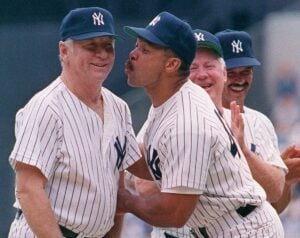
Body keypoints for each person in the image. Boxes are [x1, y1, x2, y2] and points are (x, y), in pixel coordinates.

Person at [117, 12, 284, 237]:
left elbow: (174, 214)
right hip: (222, 226)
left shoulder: (188, 120)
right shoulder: (170, 99)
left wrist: (126, 201)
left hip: (243, 229)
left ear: (172, 64)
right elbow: (156, 164)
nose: (133, 54)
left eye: (145, 50)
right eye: (137, 46)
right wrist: (114, 144)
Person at [8, 7, 151, 238]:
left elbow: (116, 190)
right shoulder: (45, 107)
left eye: (107, 46)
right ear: (64, 51)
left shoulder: (119, 108)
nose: (102, 54)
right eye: (90, 46)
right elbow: (27, 190)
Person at [215, 30, 300, 214]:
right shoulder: (204, 118)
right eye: (231, 72)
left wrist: (285, 180)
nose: (240, 79)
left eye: (246, 71)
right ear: (218, 73)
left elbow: (276, 206)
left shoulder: (262, 122)